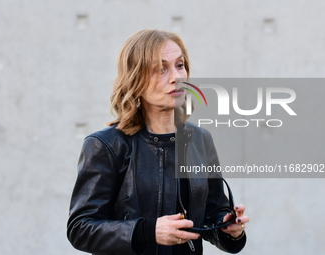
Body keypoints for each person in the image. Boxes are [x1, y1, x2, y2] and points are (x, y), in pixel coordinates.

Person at [67, 29, 249, 255]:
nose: (176, 77)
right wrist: (148, 231)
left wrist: (228, 227)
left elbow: (212, 215)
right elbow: (80, 228)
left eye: (179, 65)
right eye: (160, 69)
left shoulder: (201, 140)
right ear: (136, 80)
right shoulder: (106, 145)